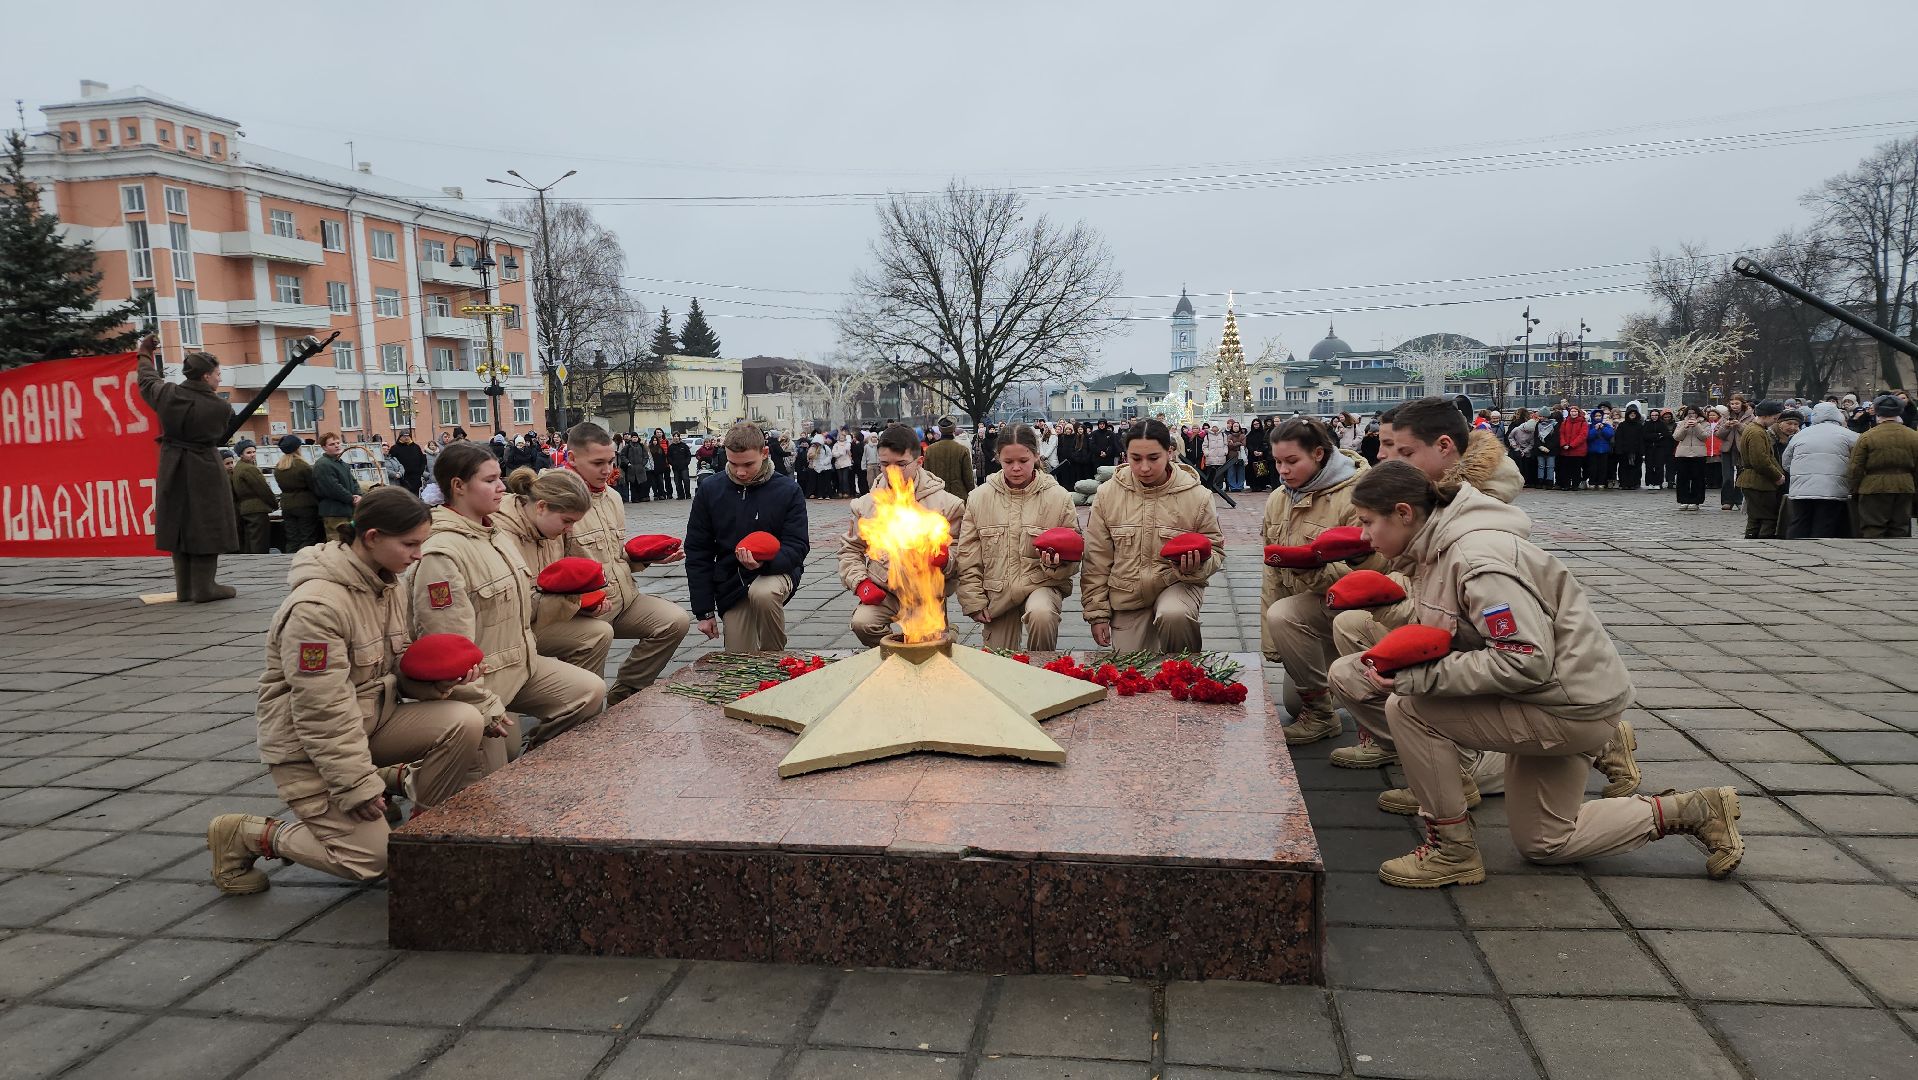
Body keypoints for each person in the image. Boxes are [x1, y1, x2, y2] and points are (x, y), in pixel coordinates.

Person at [1327, 462, 1742, 888]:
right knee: (1547, 843)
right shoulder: (1437, 550)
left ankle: (1450, 850)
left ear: (1403, 513)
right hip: (1559, 700)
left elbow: (1522, 659)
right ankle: (1695, 809)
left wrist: (1417, 680)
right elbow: (1456, 631)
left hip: (1564, 709)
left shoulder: (1476, 560)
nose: (1364, 535)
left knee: (1409, 707)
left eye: (1367, 522)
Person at [206, 487, 490, 893]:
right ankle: (249, 834)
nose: (418, 555)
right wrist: (354, 785)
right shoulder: (317, 609)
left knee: (464, 720)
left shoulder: (383, 582)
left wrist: (440, 682)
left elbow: (395, 665)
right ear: (372, 538)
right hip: (309, 749)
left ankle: (421, 831)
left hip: (369, 722)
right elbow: (321, 711)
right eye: (409, 544)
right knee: (373, 860)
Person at [410, 442, 607, 758]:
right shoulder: (443, 553)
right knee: (493, 770)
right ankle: (402, 779)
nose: (502, 487)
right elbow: (447, 648)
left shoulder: (493, 533)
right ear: (458, 487)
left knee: (588, 692)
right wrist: (480, 702)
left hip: (520, 663)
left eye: (499, 477)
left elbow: (523, 606)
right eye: (489, 481)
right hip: (483, 682)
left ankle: (542, 767)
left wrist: (575, 597)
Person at [1260, 417, 1380, 746]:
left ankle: (1374, 716)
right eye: (1277, 462)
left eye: (1291, 461)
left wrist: (1312, 567)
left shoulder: (1359, 495)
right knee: (1295, 702)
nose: (1282, 470)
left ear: (1317, 454)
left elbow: (1376, 575)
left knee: (1289, 616)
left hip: (1358, 615)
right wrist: (1273, 640)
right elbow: (1272, 574)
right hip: (1310, 611)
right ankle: (1321, 714)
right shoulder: (1278, 499)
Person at [562, 424, 694, 707]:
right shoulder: (555, 501)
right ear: (571, 458)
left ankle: (626, 694)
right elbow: (547, 570)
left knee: (674, 621)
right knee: (586, 702)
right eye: (597, 463)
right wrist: (581, 600)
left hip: (623, 598)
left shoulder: (611, 496)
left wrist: (646, 557)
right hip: (583, 611)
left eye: (610, 461)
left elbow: (614, 555)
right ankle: (571, 724)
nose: (607, 469)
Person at [1081, 418, 1224, 652]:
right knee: (1133, 673)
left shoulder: (1198, 496)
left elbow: (1216, 550)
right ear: (1125, 455)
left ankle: (1185, 671)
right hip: (1127, 595)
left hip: (1178, 585)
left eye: (1153, 458)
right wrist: (1097, 613)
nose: (1144, 467)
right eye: (1135, 459)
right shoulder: (1107, 495)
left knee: (1174, 615)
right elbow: (1096, 559)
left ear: (1169, 452)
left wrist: (1196, 568)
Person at [686, 422, 809, 652]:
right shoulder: (711, 489)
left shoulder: (787, 490)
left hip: (777, 571)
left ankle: (775, 658)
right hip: (732, 581)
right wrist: (703, 611)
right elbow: (698, 550)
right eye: (733, 464)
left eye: (748, 464)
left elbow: (798, 545)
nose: (740, 472)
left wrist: (766, 563)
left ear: (764, 453)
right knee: (739, 657)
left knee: (763, 593)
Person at [134, 333, 239, 601]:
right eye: (217, 373)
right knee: (206, 522)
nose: (219, 378)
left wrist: (145, 353)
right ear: (205, 376)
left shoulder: (167, 394)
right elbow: (218, 435)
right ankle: (205, 587)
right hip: (204, 464)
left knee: (178, 521)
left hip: (171, 462)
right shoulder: (220, 407)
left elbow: (147, 380)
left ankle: (184, 588)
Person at [841, 424, 967, 647]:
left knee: (927, 648)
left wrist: (945, 559)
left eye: (901, 464)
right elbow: (850, 551)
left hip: (925, 594)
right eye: (884, 464)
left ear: (919, 462)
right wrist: (861, 583)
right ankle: (892, 657)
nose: (892, 472)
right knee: (863, 623)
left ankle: (945, 635)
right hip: (884, 591)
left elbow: (963, 555)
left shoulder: (947, 505)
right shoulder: (866, 505)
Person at [955, 424, 1077, 650]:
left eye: (1023, 460)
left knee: (1042, 615)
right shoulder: (979, 498)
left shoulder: (1059, 498)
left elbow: (1075, 557)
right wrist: (973, 599)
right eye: (1008, 462)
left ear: (1036, 456)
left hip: (1042, 585)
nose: (1016, 468)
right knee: (999, 660)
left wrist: (1058, 565)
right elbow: (968, 555)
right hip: (998, 592)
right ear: (997, 458)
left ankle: (1042, 668)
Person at [495, 466, 615, 674]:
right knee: (589, 684)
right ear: (541, 507)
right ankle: (573, 699)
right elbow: (512, 607)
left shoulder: (547, 527)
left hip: (532, 622)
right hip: (508, 635)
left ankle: (581, 696)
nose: (569, 529)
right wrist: (573, 602)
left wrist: (583, 602)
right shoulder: (502, 535)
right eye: (567, 521)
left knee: (599, 632)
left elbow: (554, 584)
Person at [1781, 401, 1858, 538]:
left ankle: (1793, 547)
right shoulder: (1849, 435)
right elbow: (1858, 459)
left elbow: (1786, 462)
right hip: (1832, 487)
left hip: (1801, 488)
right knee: (1825, 523)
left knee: (1799, 521)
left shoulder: (1800, 434)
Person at [1848, 394, 1918, 537]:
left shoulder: (1867, 436)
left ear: (1878, 411)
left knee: (1873, 527)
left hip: (1873, 487)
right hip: (1905, 486)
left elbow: (1855, 467)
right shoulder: (1913, 436)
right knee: (1900, 528)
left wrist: (1854, 489)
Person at [1736, 400, 1788, 538]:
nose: (1775, 422)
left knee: (1756, 518)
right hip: (1759, 482)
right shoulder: (1756, 432)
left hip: (1754, 480)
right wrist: (1777, 476)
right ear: (1765, 416)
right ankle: (1763, 544)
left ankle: (1752, 541)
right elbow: (1760, 460)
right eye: (1774, 418)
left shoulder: (1755, 430)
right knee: (1767, 517)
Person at [274, 434, 322, 554]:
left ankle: (289, 559)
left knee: (292, 538)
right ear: (297, 448)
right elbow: (314, 486)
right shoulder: (302, 466)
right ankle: (303, 560)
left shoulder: (278, 467)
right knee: (307, 536)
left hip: (286, 504)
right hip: (305, 505)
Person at [228, 440, 278, 554]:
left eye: (254, 451)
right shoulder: (249, 469)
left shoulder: (238, 468)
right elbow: (263, 489)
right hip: (257, 509)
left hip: (245, 509)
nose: (252, 454)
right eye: (248, 452)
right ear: (241, 454)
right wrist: (274, 504)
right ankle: (259, 564)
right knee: (259, 541)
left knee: (250, 541)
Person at [312, 433, 360, 539]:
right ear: (324, 447)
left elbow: (353, 481)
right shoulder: (323, 465)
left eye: (338, 443)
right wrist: (351, 499)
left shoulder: (341, 463)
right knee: (337, 543)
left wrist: (358, 495)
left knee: (351, 542)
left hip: (347, 510)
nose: (337, 446)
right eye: (332, 444)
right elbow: (333, 488)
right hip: (334, 512)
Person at [919, 417, 976, 500]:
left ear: (940, 430)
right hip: (958, 497)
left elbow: (927, 476)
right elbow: (968, 478)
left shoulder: (930, 450)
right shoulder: (962, 450)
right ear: (954, 430)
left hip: (937, 496)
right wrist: (972, 494)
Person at [1671, 406, 1711, 510]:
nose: (1691, 415)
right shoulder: (1680, 423)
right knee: (1682, 478)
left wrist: (1697, 426)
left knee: (1698, 478)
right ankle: (1683, 500)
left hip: (1698, 454)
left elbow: (1704, 437)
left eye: (1693, 413)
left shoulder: (1705, 424)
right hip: (1683, 454)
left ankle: (1695, 501)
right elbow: (1676, 437)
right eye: (1689, 413)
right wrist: (1685, 427)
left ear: (1698, 413)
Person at [1718, 397, 1750, 511]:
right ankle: (1726, 500)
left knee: (1741, 476)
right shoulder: (1725, 416)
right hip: (1728, 449)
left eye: (1737, 403)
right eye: (1732, 404)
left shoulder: (1750, 416)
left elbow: (1751, 432)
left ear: (1742, 404)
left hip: (1742, 449)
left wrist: (1739, 425)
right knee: (1727, 476)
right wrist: (1726, 426)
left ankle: (1739, 499)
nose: (1734, 406)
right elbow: (1719, 434)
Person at [1556, 406, 1588, 490]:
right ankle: (1566, 484)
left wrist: (1571, 445)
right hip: (1565, 450)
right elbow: (1561, 434)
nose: (1573, 413)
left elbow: (1582, 436)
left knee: (1576, 469)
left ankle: (1575, 485)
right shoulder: (1565, 422)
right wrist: (1563, 444)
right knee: (1565, 469)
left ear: (1578, 412)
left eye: (1575, 411)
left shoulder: (1583, 423)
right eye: (1572, 411)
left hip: (1577, 450)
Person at [1585, 406, 1614, 488]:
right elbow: (1588, 437)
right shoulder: (1590, 426)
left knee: (1603, 468)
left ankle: (1601, 482)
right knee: (1592, 468)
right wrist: (1595, 429)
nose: (1598, 418)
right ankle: (1592, 482)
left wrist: (1603, 428)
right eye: (1596, 416)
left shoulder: (1606, 426)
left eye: (1599, 416)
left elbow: (1610, 435)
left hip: (1604, 450)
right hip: (1592, 450)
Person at [1224, 419, 1247, 492]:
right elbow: (1229, 446)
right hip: (1231, 456)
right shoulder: (1229, 436)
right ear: (1232, 427)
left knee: (1241, 472)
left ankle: (1240, 486)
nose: (1236, 427)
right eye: (1234, 426)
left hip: (1241, 455)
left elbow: (1243, 444)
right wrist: (1238, 443)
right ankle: (1233, 487)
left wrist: (1234, 444)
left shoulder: (1243, 435)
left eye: (1237, 426)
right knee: (1231, 472)